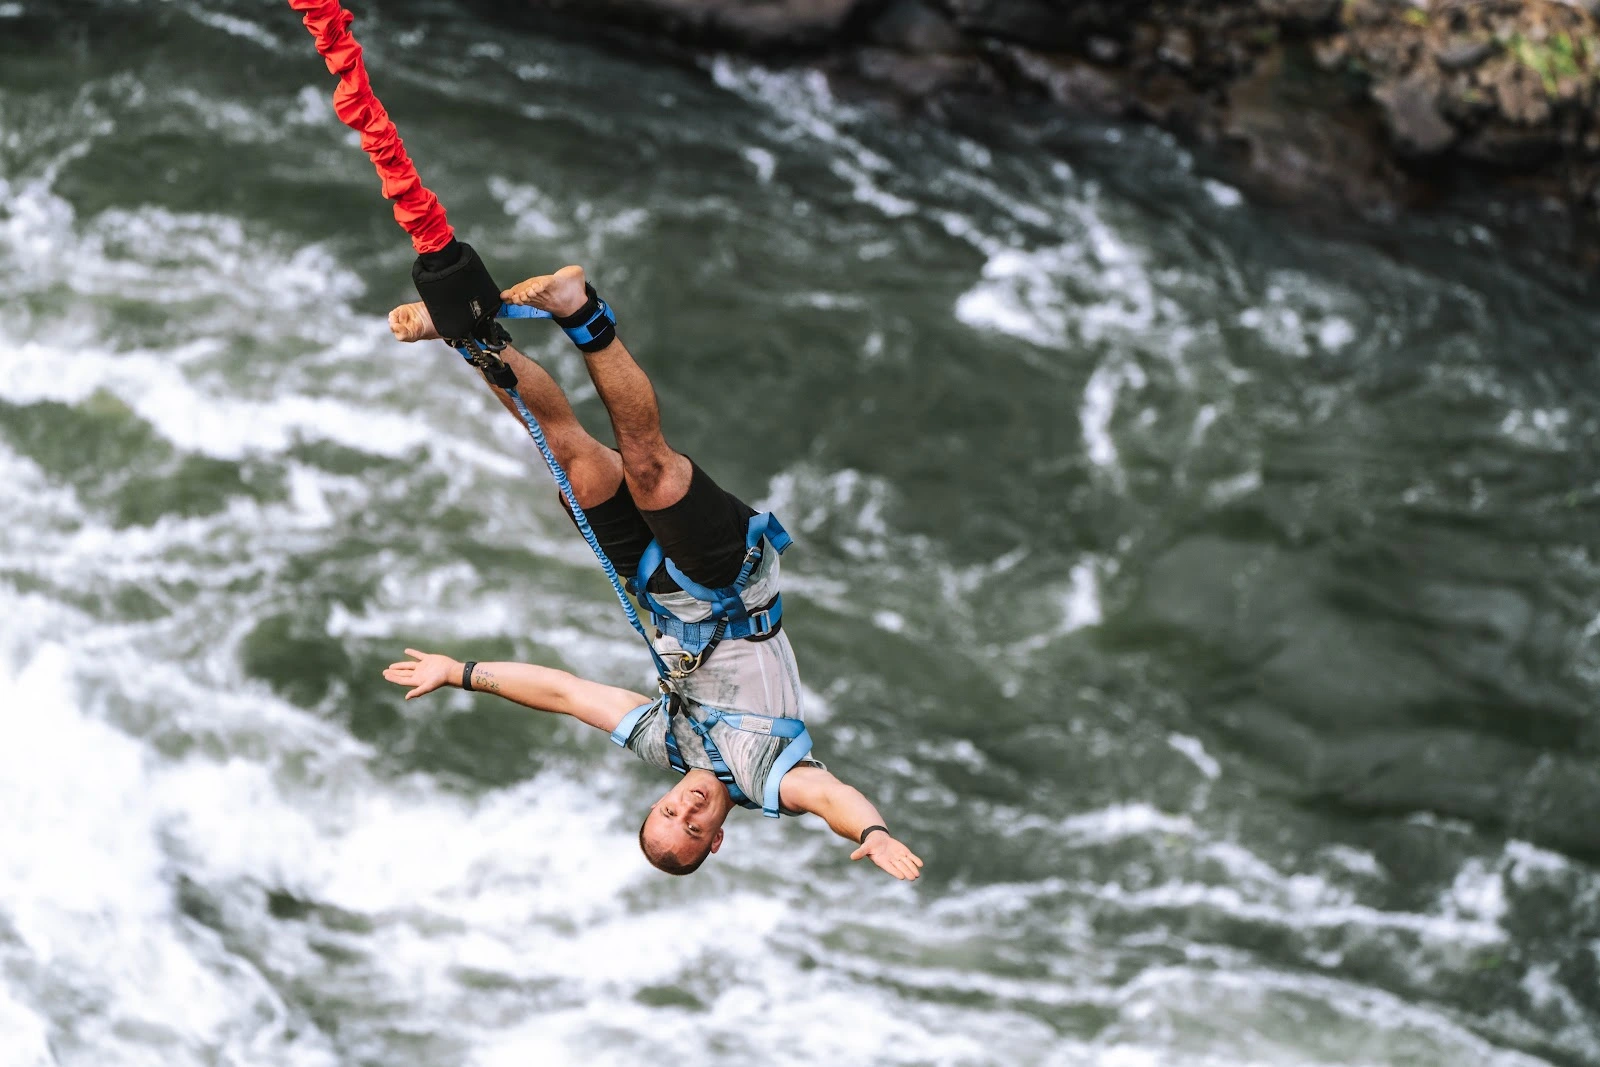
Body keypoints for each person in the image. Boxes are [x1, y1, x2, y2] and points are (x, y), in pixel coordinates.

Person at [380, 264, 923, 881]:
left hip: (658, 590)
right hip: (732, 585)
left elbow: (564, 694)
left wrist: (459, 672)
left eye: (668, 812)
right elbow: (830, 800)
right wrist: (873, 832)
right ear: (716, 840)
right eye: (693, 826)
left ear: (657, 800)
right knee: (649, 468)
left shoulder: (664, 742)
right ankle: (579, 309)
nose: (686, 808)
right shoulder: (767, 777)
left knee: (569, 457)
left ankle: (467, 334)